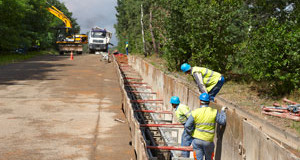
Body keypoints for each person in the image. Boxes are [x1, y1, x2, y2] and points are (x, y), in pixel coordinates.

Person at [185, 93, 227, 160]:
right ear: (209, 102)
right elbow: (222, 122)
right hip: (208, 141)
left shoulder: (195, 112)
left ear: (200, 101)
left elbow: (187, 125)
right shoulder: (214, 112)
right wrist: (223, 112)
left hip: (197, 140)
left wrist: (192, 133)